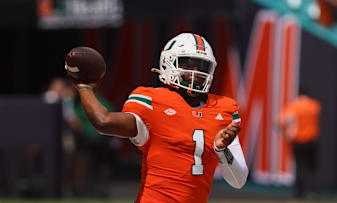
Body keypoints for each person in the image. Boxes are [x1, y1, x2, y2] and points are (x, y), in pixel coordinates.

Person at [69, 33, 248, 202]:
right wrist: (84, 86)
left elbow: (238, 180)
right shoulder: (153, 101)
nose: (195, 71)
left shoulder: (223, 109)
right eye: (188, 64)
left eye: (202, 66)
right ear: (168, 63)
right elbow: (103, 121)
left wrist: (221, 149)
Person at [277, 88, 321, 199]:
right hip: (311, 141)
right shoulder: (314, 106)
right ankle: (314, 191)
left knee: (300, 167)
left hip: (298, 142)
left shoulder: (293, 107)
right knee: (312, 166)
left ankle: (299, 193)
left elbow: (280, 121)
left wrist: (284, 134)